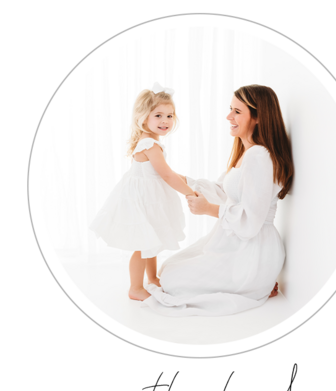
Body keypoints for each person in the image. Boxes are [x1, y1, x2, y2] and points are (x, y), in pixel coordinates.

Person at [140, 84, 294, 317]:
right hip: (235, 244)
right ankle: (254, 281)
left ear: (258, 117)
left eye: (237, 112)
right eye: (230, 109)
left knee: (171, 281)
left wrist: (209, 209)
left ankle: (255, 281)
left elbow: (251, 221)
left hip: (251, 249)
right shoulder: (247, 152)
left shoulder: (259, 157)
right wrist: (172, 178)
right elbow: (222, 190)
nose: (228, 116)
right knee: (169, 269)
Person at [89, 83, 195, 301]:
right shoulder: (149, 144)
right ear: (143, 117)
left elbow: (162, 172)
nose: (165, 121)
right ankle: (135, 288)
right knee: (142, 244)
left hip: (148, 197)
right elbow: (166, 175)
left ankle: (152, 277)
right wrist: (189, 192)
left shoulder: (150, 140)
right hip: (141, 199)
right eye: (158, 115)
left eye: (169, 115)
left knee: (152, 238)